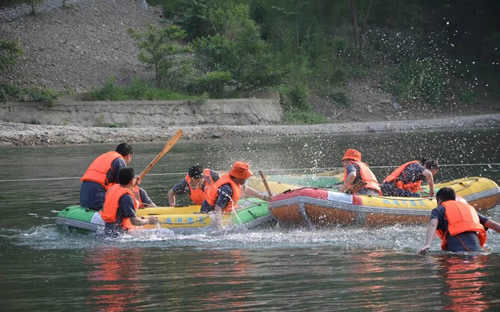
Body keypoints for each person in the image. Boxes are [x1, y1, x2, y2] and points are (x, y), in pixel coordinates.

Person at [418, 187, 500, 254]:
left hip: (460, 250)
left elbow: (433, 224)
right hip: (476, 248)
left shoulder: (439, 209)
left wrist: (427, 244)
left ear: (439, 200)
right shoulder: (469, 209)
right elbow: (494, 225)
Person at [200, 161, 270, 228]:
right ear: (238, 177)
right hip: (209, 209)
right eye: (244, 178)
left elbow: (246, 189)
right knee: (214, 216)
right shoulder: (227, 189)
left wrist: (264, 197)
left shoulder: (235, 180)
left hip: (225, 208)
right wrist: (220, 227)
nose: (246, 179)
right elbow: (218, 208)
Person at [100, 167, 158, 237]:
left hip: (108, 230)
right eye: (134, 178)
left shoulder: (112, 189)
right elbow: (134, 221)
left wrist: (134, 180)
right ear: (131, 181)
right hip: (120, 234)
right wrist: (149, 221)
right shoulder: (126, 197)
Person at [80, 143, 133, 211]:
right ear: (128, 156)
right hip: (98, 200)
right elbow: (123, 187)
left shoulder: (106, 156)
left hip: (84, 199)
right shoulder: (120, 161)